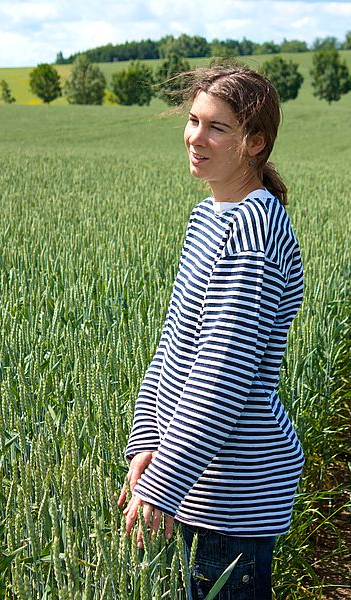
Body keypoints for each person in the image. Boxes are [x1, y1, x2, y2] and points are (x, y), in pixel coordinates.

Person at [117, 63, 305, 600]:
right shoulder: (209, 218)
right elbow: (175, 348)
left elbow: (219, 374)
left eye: (217, 127)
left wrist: (163, 485)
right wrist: (147, 441)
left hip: (235, 497)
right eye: (194, 121)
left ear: (254, 143)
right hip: (200, 483)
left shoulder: (253, 234)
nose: (196, 138)